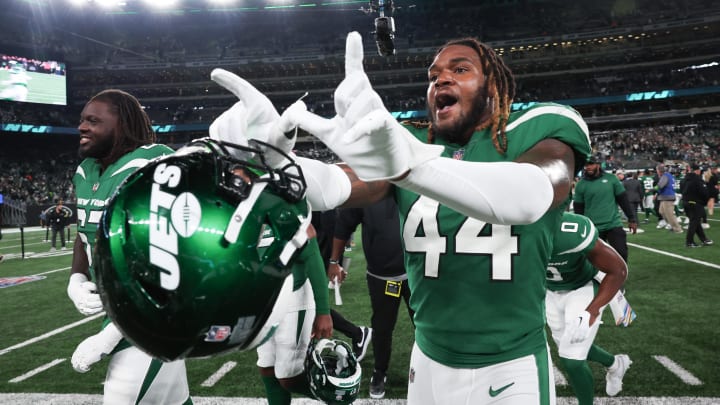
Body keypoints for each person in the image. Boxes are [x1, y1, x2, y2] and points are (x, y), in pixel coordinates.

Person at [207, 31, 592, 404]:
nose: (441, 77)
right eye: (434, 75)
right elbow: (337, 185)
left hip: (510, 364)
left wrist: (410, 167)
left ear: (492, 85)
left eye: (460, 69)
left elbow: (531, 194)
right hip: (427, 359)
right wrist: (273, 169)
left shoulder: (539, 128)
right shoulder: (412, 143)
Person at [67, 89, 192, 404]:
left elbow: (166, 260)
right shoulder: (85, 171)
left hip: (154, 317)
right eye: (82, 120)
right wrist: (76, 279)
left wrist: (107, 339)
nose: (82, 127)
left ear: (120, 123)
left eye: (93, 121)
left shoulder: (154, 164)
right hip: (121, 310)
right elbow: (86, 231)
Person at [329, 196, 413, 399]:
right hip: (381, 276)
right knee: (382, 326)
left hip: (416, 273)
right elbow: (343, 226)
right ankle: (380, 371)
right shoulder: (369, 189)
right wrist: (333, 261)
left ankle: (426, 370)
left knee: (425, 324)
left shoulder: (413, 186)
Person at [545, 211, 632, 405]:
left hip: (581, 288)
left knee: (572, 360)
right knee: (568, 345)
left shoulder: (571, 230)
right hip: (549, 291)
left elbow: (618, 270)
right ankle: (615, 364)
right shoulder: (513, 228)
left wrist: (592, 310)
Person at [256, 222, 335, 405]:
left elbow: (312, 256)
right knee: (267, 367)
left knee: (288, 377)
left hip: (294, 298)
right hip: (264, 301)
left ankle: (338, 397)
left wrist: (323, 311)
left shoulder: (287, 211)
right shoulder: (245, 212)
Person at [311, 209, 373, 364]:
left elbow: (329, 219)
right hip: (310, 246)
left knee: (308, 302)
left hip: (314, 248)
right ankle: (356, 333)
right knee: (303, 302)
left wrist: (334, 261)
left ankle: (357, 333)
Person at [573, 158, 638, 263]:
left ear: (598, 164)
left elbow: (623, 200)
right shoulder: (581, 184)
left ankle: (620, 277)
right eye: (586, 165)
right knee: (595, 259)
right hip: (593, 228)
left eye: (591, 164)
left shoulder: (612, 179)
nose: (588, 167)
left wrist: (632, 219)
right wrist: (581, 227)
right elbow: (578, 208)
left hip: (613, 224)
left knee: (621, 253)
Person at [681, 163, 713, 247]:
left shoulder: (684, 179)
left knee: (696, 222)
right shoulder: (697, 179)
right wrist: (704, 201)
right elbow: (704, 192)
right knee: (694, 222)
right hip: (695, 203)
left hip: (685, 202)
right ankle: (689, 242)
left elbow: (681, 190)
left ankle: (704, 239)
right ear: (697, 170)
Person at [654, 163, 683, 233]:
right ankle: (672, 224)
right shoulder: (668, 175)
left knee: (669, 214)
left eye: (657, 170)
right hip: (665, 197)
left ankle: (677, 229)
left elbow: (660, 185)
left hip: (667, 197)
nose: (656, 171)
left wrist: (653, 189)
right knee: (662, 211)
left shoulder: (665, 176)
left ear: (659, 170)